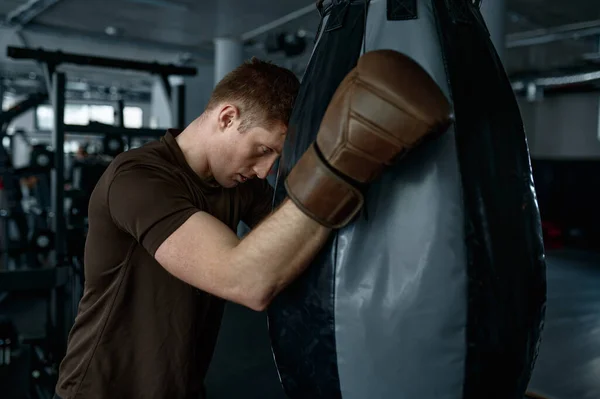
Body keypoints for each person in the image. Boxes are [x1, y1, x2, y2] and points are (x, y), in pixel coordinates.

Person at [54, 50, 452, 399]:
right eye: (262, 150)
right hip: (102, 389)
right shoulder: (137, 178)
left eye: (275, 157)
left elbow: (301, 241)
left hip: (183, 385)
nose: (266, 171)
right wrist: (341, 162)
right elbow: (245, 279)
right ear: (228, 117)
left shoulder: (237, 183)